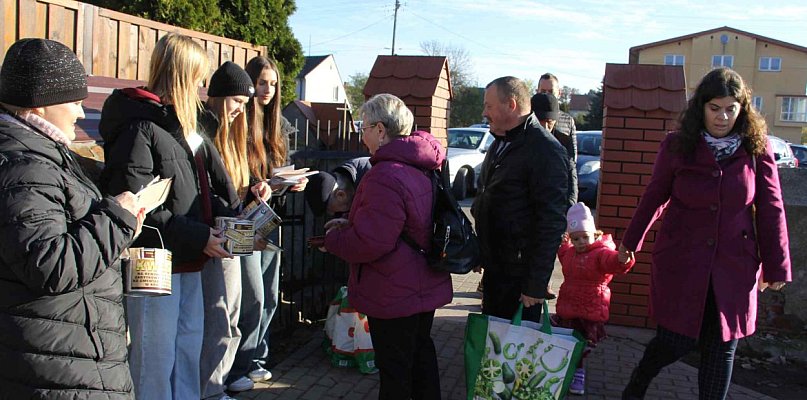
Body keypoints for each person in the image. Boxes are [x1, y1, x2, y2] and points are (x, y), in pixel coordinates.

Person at [619, 67, 791, 400]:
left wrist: (776, 265)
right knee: (675, 340)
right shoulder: (677, 145)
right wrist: (631, 241)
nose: (722, 117)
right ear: (701, 107)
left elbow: (772, 206)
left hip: (734, 266)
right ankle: (639, 381)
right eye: (714, 108)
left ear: (742, 109)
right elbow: (655, 195)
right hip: (683, 261)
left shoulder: (757, 148)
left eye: (730, 108)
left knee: (722, 347)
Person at [0, 38, 144, 398]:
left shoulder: (40, 155)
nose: (80, 113)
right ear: (41, 103)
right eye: (75, 102)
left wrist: (120, 227)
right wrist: (116, 219)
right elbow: (49, 264)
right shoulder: (25, 166)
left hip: (67, 354)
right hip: (59, 365)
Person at [99, 33, 234, 399]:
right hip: (153, 262)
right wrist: (199, 236)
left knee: (187, 347)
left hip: (189, 258)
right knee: (154, 358)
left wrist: (223, 220)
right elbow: (138, 205)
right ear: (181, 76)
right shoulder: (139, 127)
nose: (201, 86)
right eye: (197, 77)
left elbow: (200, 188)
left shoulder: (182, 127)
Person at [323, 93, 452, 399]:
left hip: (393, 289)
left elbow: (372, 242)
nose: (361, 134)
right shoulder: (421, 164)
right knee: (421, 359)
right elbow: (402, 223)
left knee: (396, 373)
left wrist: (332, 240)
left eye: (364, 127)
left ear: (380, 130)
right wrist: (351, 223)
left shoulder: (385, 174)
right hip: (422, 280)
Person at [228, 55, 307, 392]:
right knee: (251, 299)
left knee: (270, 296)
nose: (268, 90)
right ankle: (236, 370)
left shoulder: (278, 127)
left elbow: (277, 174)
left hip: (268, 221)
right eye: (262, 82)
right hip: (240, 221)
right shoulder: (237, 122)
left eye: (273, 84)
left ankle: (256, 361)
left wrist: (289, 183)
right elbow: (229, 176)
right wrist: (255, 185)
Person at [200, 61, 272, 400]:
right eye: (237, 101)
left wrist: (257, 188)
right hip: (216, 234)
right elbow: (207, 188)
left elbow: (236, 184)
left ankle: (224, 381)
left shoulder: (237, 134)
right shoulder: (204, 133)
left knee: (237, 308)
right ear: (218, 96)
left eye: (245, 103)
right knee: (223, 314)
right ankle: (214, 387)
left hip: (235, 227)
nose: (241, 109)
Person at [472, 76, 570, 323]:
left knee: (513, 344)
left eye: (489, 106)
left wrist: (535, 283)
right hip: (497, 269)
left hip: (520, 279)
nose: (484, 113)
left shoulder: (545, 150)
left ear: (511, 105)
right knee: (493, 339)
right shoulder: (501, 141)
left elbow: (551, 222)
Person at [554, 202, 635, 395]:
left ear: (595, 234)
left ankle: (578, 373)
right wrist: (562, 242)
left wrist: (622, 260)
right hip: (568, 306)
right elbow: (563, 252)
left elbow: (611, 261)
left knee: (583, 345)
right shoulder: (570, 252)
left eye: (585, 237)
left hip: (590, 310)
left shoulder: (601, 253)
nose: (581, 242)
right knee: (569, 341)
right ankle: (567, 370)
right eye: (576, 238)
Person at [304, 156, 372, 217]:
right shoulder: (346, 173)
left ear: (341, 195)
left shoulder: (372, 177)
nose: (332, 214)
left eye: (330, 210)